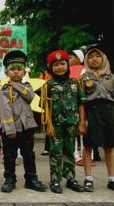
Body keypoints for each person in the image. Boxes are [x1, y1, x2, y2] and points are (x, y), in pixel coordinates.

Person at [0, 50, 47, 193]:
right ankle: (10, 179)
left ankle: (31, 179)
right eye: (12, 69)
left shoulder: (28, 86)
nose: (16, 72)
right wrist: (10, 129)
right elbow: (4, 110)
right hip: (11, 128)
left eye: (19, 69)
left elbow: (30, 97)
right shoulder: (4, 90)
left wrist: (15, 85)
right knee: (9, 155)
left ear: (24, 72)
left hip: (27, 126)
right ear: (6, 73)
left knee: (29, 154)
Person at [44, 50, 86, 194]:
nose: (60, 67)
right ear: (51, 68)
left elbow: (81, 103)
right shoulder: (48, 84)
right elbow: (46, 106)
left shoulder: (75, 83)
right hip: (55, 125)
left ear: (67, 65)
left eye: (62, 64)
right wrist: (48, 124)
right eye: (56, 65)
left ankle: (70, 179)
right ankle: (55, 180)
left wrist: (81, 122)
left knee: (70, 151)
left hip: (71, 123)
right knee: (55, 152)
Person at [80, 44, 114, 192]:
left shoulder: (111, 77)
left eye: (97, 56)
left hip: (109, 112)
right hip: (90, 112)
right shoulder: (83, 78)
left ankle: (112, 178)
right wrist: (82, 121)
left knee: (109, 146)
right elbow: (81, 101)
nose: (94, 59)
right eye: (91, 57)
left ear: (103, 58)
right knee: (88, 146)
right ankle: (88, 178)